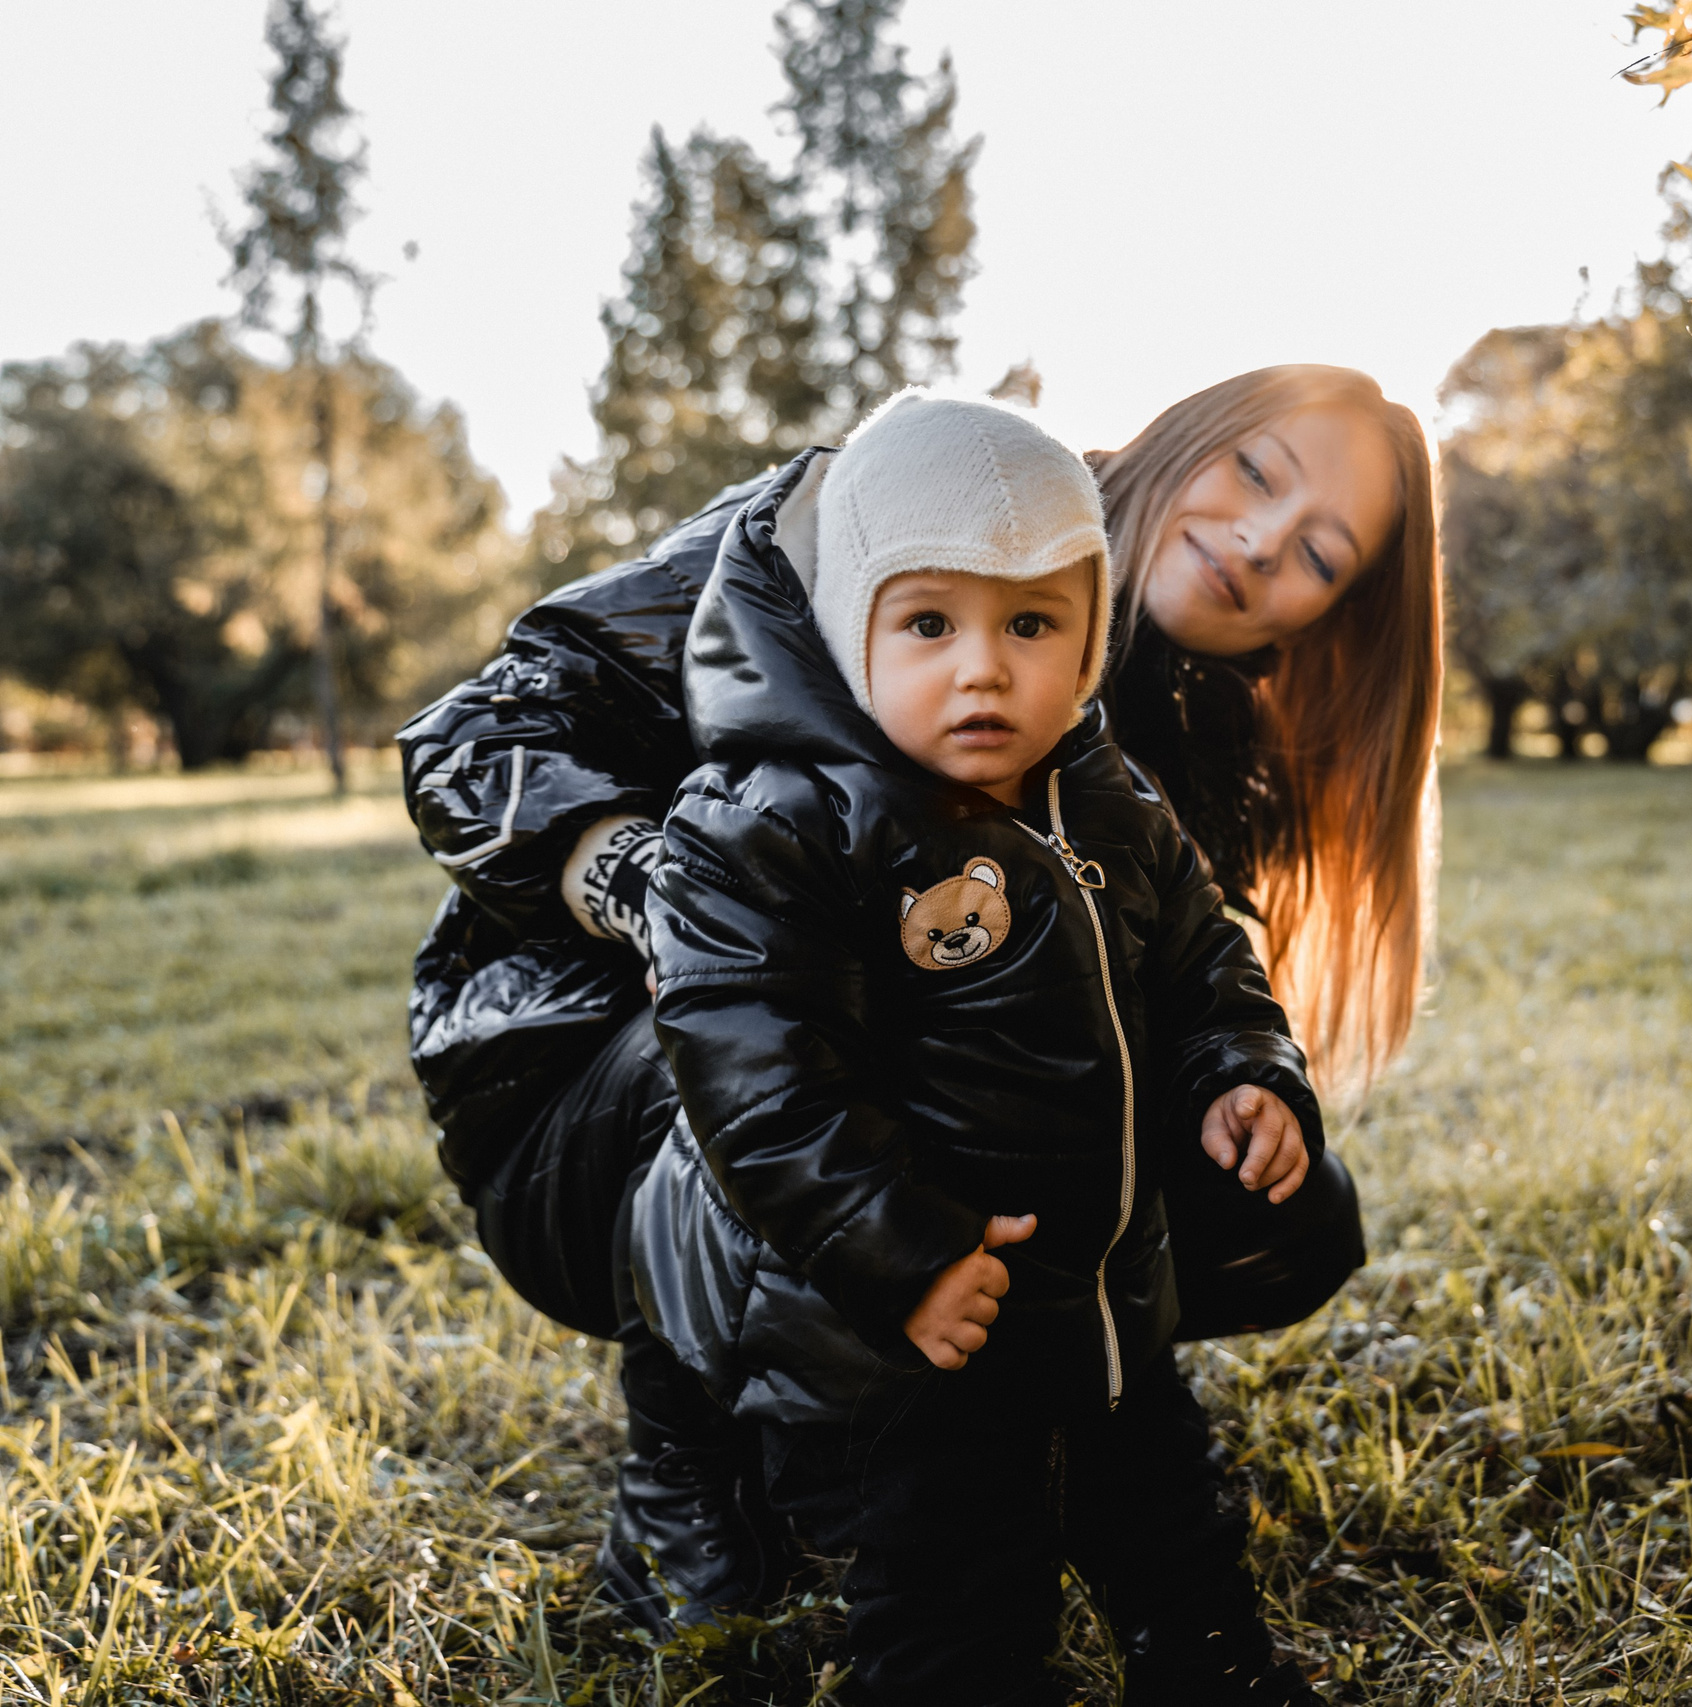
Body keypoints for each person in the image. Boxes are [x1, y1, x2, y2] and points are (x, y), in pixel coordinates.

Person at [396, 365, 1440, 1629]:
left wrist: (1233, 1078)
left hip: (902, 1095)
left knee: (1283, 1208)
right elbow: (474, 733)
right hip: (594, 1080)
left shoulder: (1193, 742)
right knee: (777, 1022)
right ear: (1181, 437)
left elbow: (1184, 984)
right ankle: (691, 1456)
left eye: (1318, 555)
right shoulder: (876, 511)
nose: (1260, 542)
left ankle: (1038, 1409)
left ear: (1314, 620)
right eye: (1258, 473)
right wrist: (653, 890)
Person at [633, 390, 1323, 1703]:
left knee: (1179, 1534)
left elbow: (1201, 960)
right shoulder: (780, 821)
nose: (984, 666)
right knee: (957, 1591)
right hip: (927, 1335)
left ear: (1090, 634)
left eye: (1032, 622)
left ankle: (1211, 1660)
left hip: (1112, 1302)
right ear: (855, 627)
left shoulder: (1108, 795)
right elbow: (761, 1083)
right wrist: (901, 1250)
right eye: (931, 622)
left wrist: (1243, 1067)